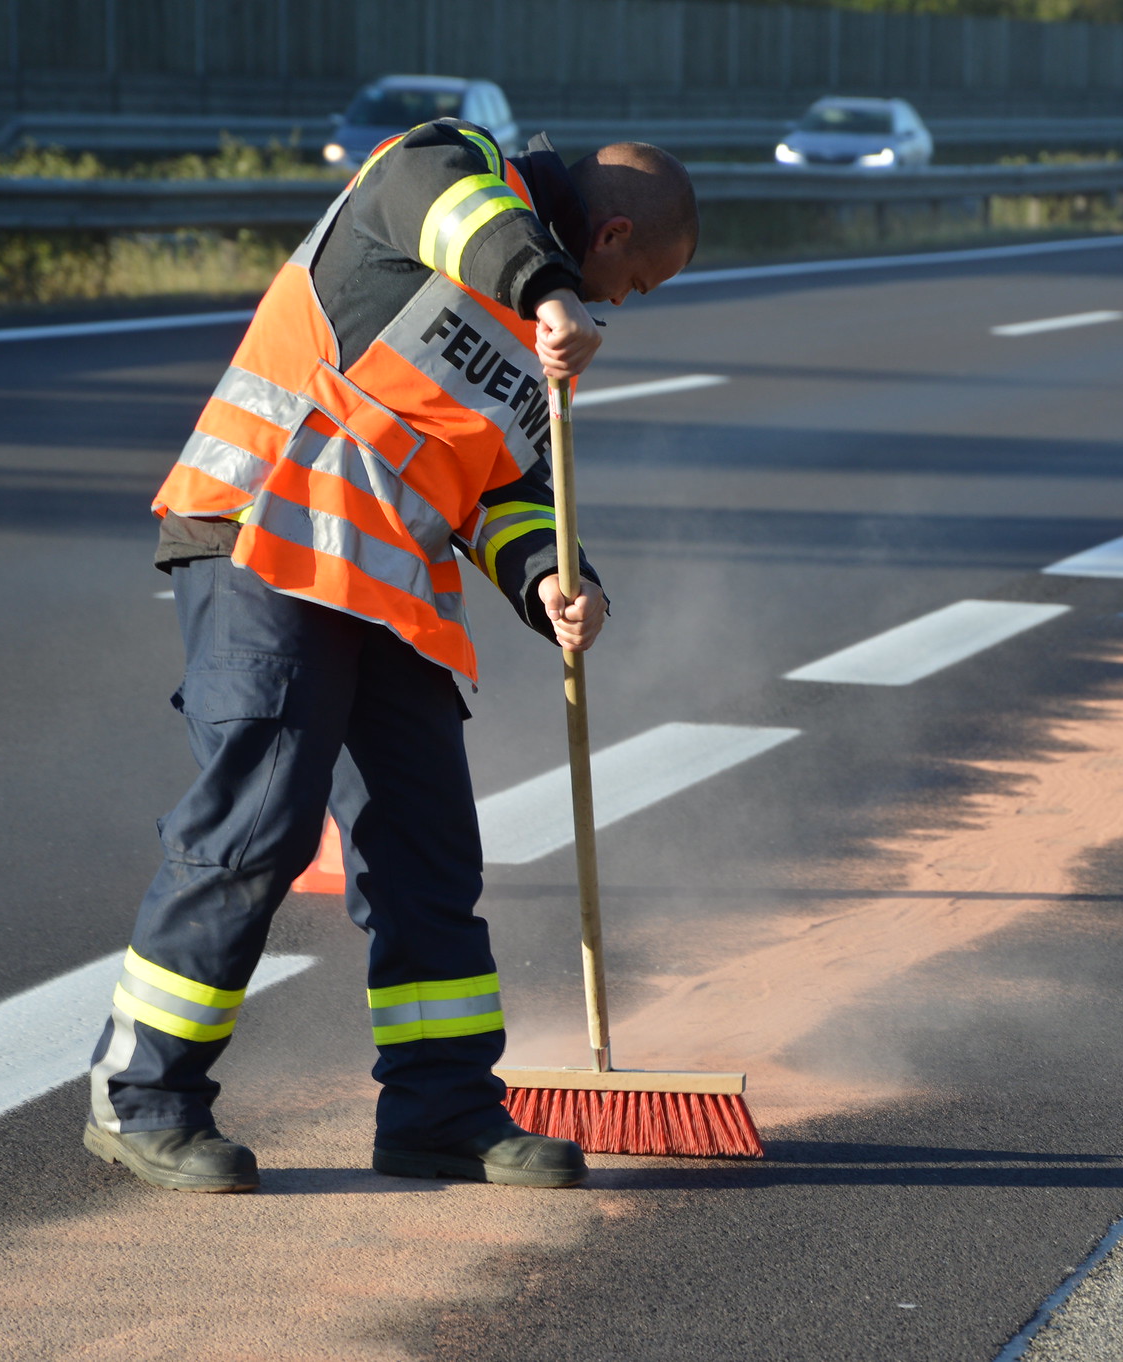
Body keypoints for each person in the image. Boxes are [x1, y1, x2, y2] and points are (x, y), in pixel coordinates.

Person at [82, 125, 699, 1194]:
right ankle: (144, 1100)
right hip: (262, 540)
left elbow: (507, 487)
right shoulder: (450, 167)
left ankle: (441, 1114)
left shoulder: (537, 338)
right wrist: (550, 290)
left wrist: (554, 579)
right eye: (632, 281)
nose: (622, 304)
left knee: (428, 858)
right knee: (256, 825)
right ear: (603, 234)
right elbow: (452, 213)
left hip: (386, 589)